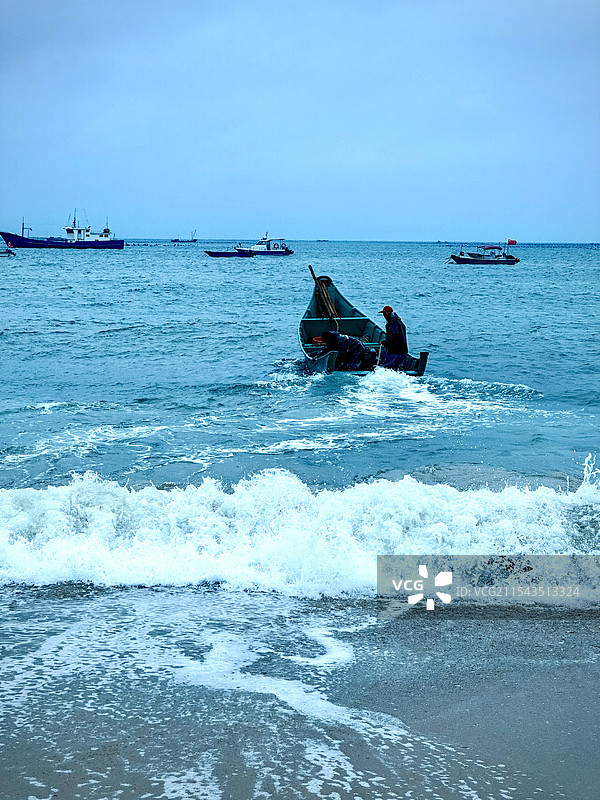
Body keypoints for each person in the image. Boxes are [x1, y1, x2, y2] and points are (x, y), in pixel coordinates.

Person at [378, 305, 408, 369]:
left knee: (385, 367)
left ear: (388, 312)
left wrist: (384, 342)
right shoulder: (399, 321)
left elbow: (393, 336)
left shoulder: (392, 322)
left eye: (384, 313)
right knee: (397, 368)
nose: (383, 315)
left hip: (396, 351)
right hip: (403, 351)